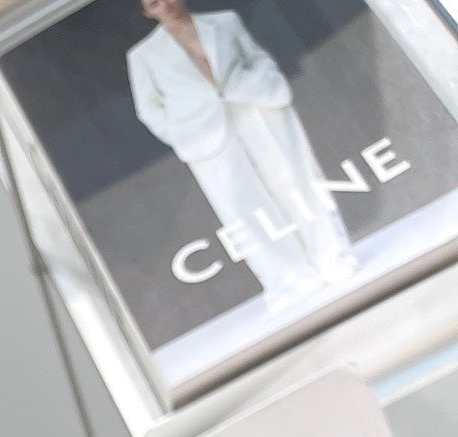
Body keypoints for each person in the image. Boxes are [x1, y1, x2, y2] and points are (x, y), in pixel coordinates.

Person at [128, 0, 356, 308]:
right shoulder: (142, 55)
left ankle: (333, 257)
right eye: (155, 3)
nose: (165, 5)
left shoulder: (224, 21)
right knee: (241, 206)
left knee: (296, 180)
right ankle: (287, 278)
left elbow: (256, 57)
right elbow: (148, 108)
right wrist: (179, 133)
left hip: (254, 106)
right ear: (148, 13)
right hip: (203, 132)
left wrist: (264, 83)